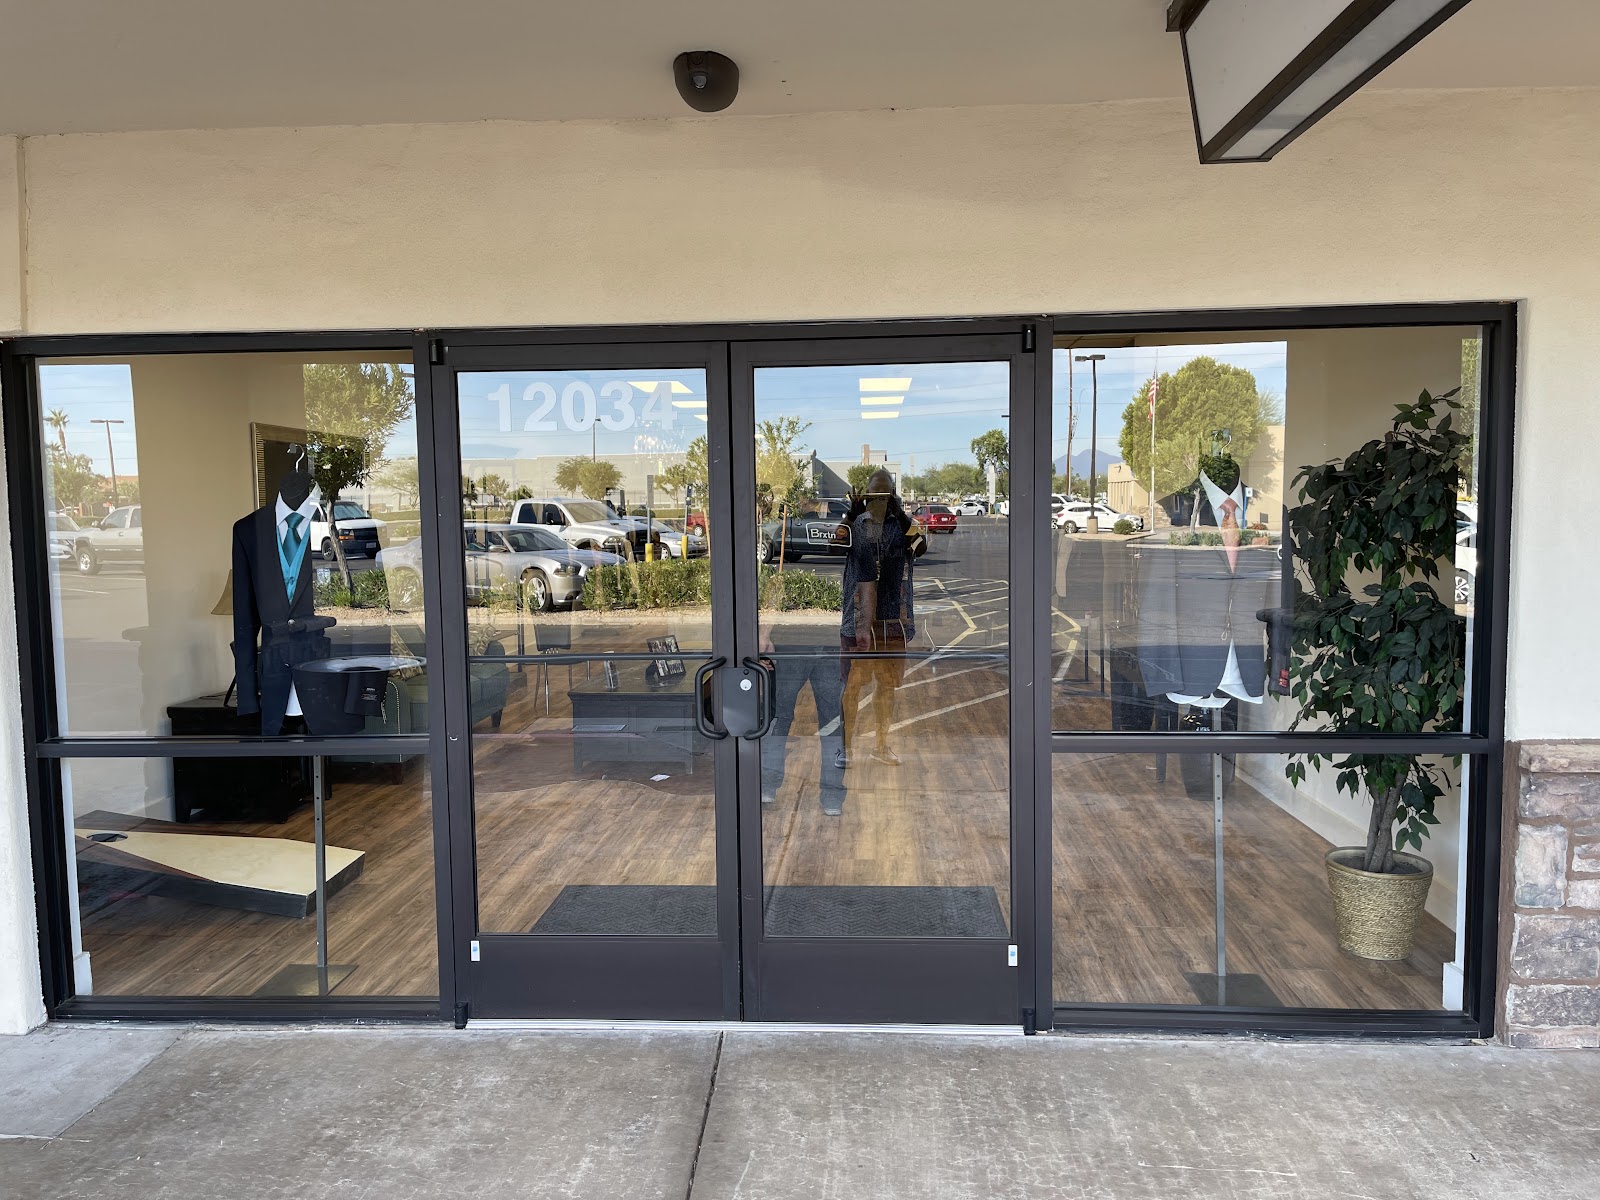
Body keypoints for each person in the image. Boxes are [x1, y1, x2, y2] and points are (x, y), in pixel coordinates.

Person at [837, 469, 925, 769]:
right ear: (865, 494)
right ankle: (845, 748)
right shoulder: (855, 523)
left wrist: (900, 514)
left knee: (887, 687)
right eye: (874, 494)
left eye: (885, 494)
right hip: (857, 620)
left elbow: (921, 547)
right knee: (851, 685)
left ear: (894, 495)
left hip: (893, 621)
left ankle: (881, 745)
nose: (879, 500)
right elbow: (834, 546)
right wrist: (852, 514)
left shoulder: (903, 526)